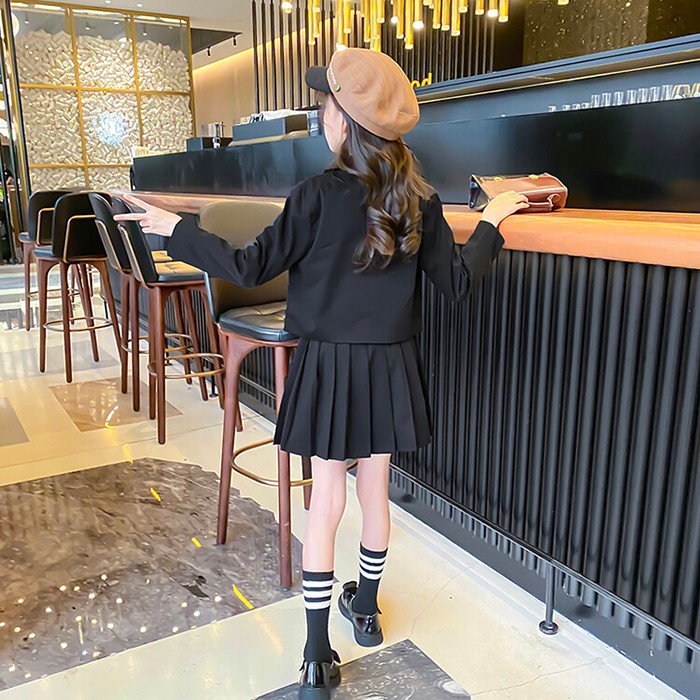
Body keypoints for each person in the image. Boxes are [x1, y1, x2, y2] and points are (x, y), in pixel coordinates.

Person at [115, 48, 527, 699]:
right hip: (390, 365)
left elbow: (249, 267)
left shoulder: (312, 196)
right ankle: (365, 610)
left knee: (327, 497)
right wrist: (493, 222)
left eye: (324, 105)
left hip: (326, 366)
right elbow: (456, 283)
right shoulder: (419, 201)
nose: (320, 115)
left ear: (344, 121)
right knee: (375, 491)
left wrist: (177, 230)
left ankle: (314, 655)